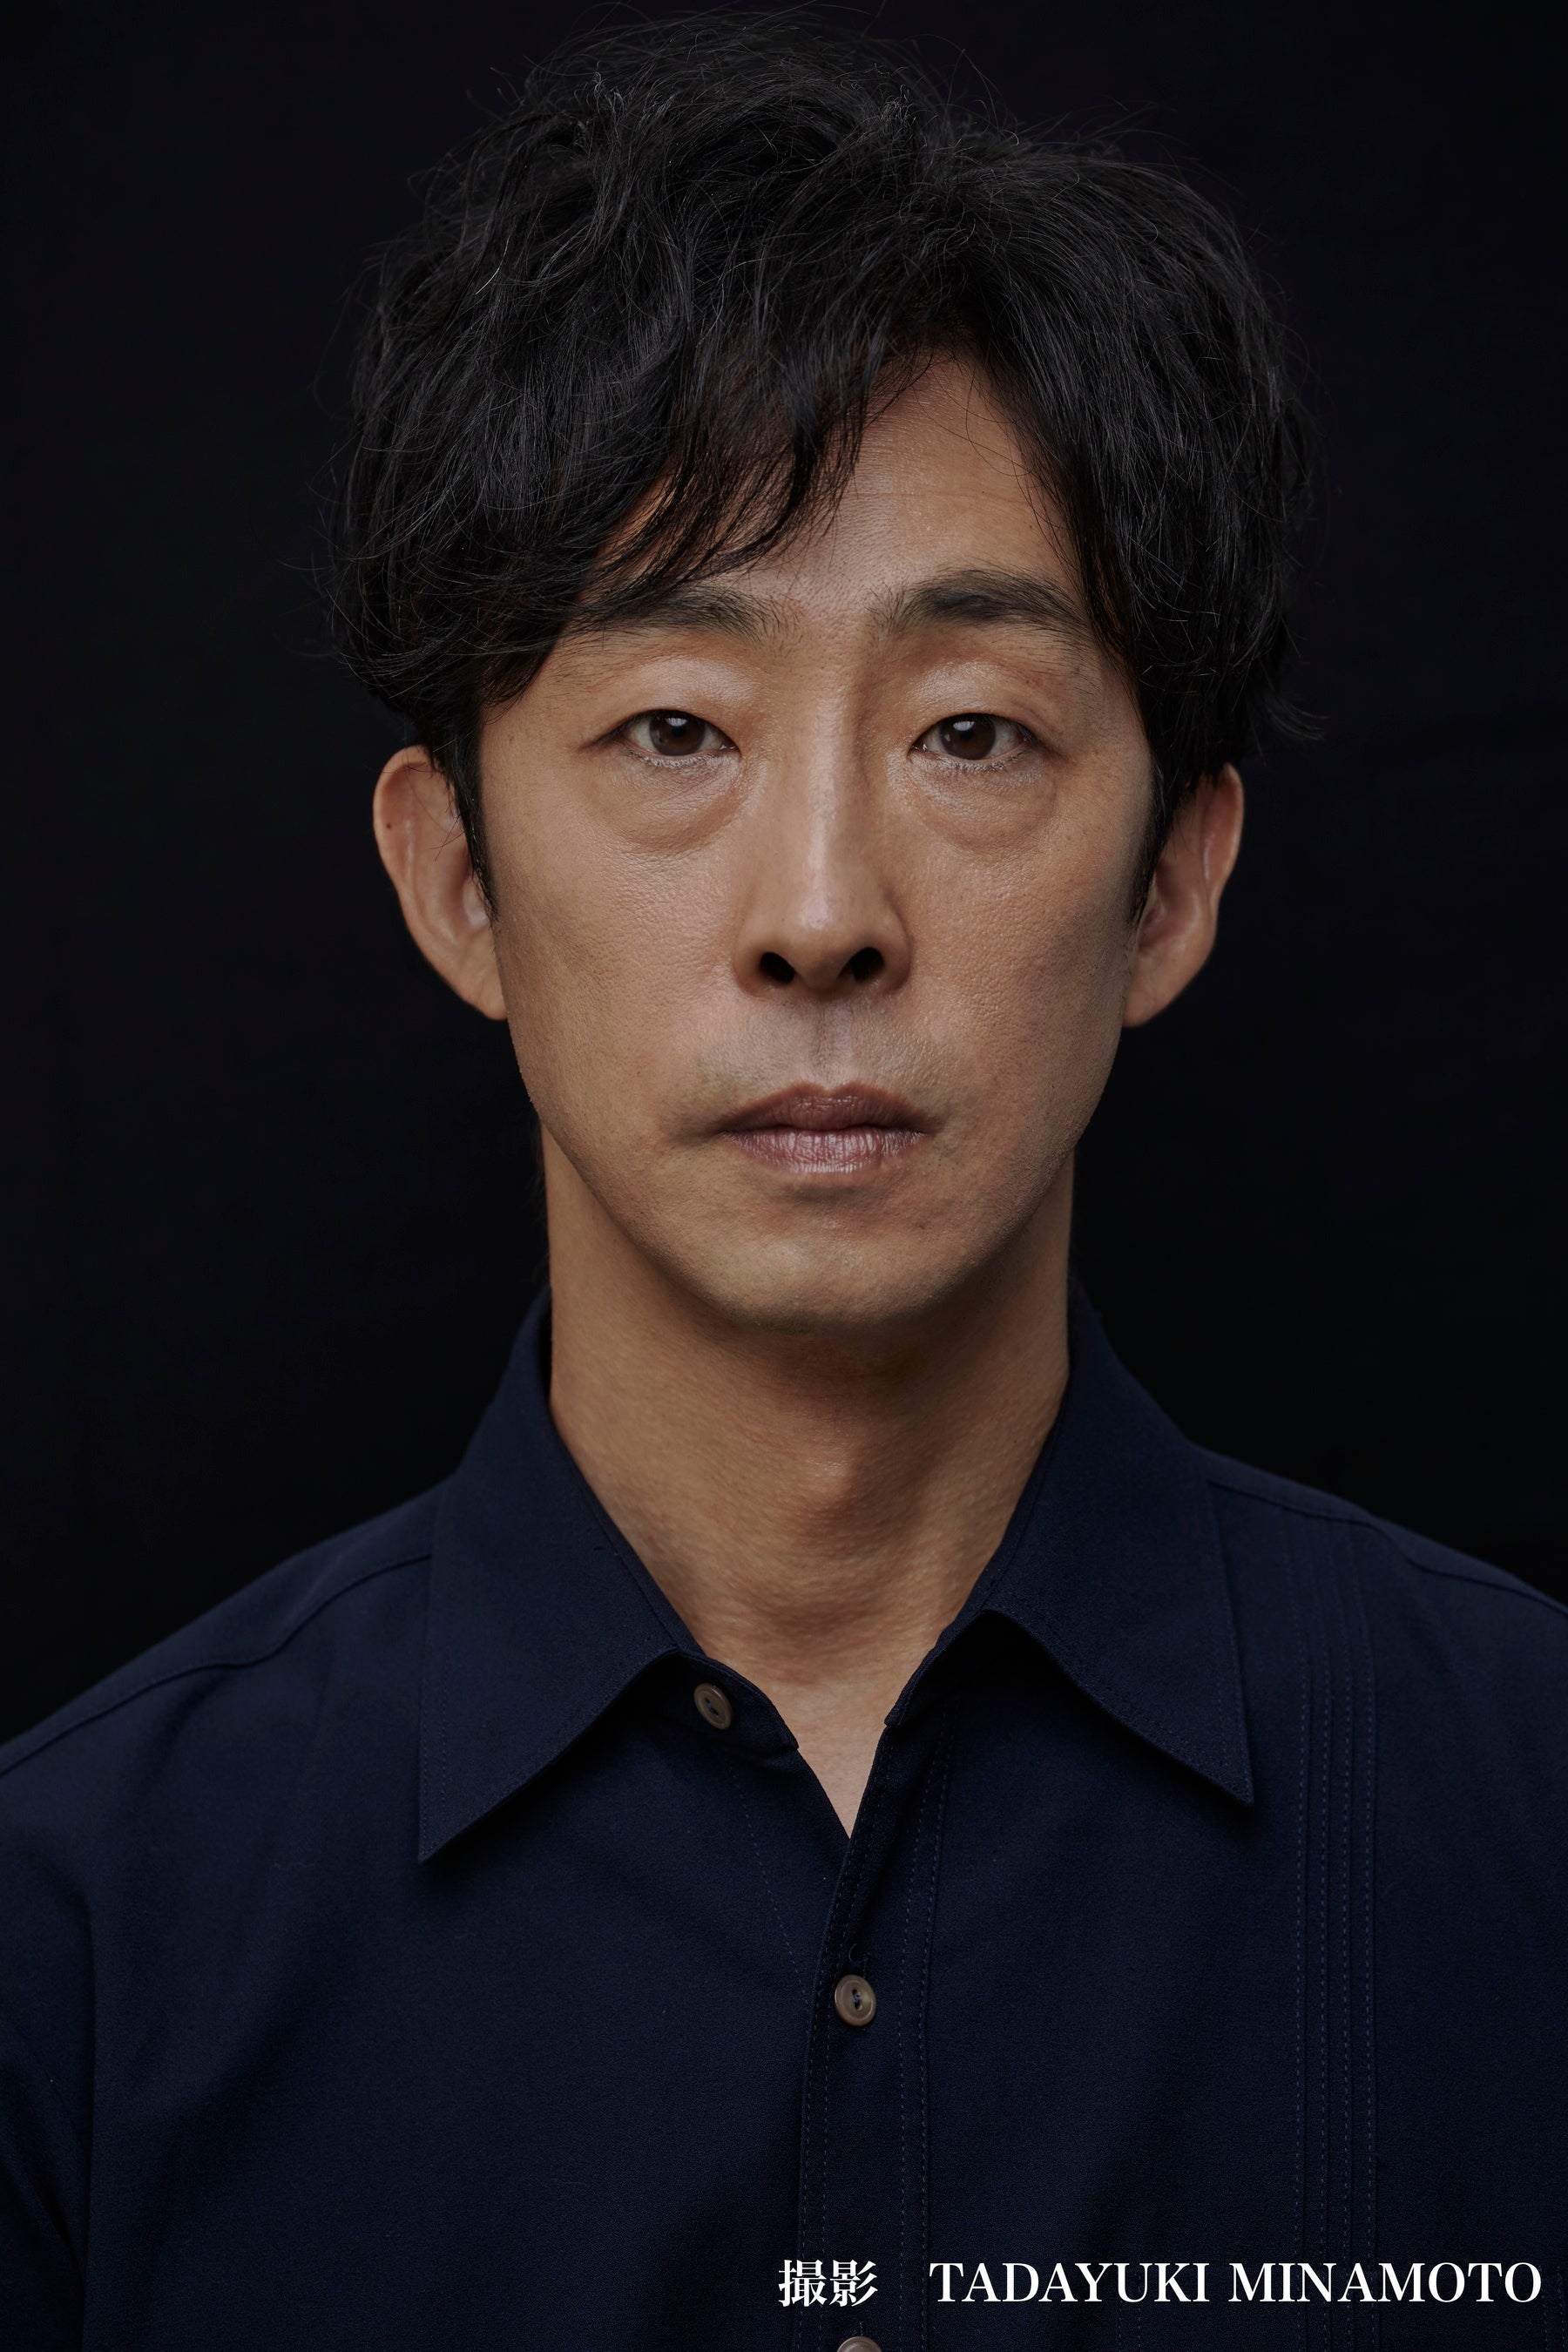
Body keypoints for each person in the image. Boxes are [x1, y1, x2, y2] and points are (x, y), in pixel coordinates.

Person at [2, 17, 1563, 2348]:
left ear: (1172, 881)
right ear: (456, 882)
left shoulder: (1528, 1817)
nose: (822, 910)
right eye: (674, 729)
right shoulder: (72, 1943)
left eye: (971, 732)